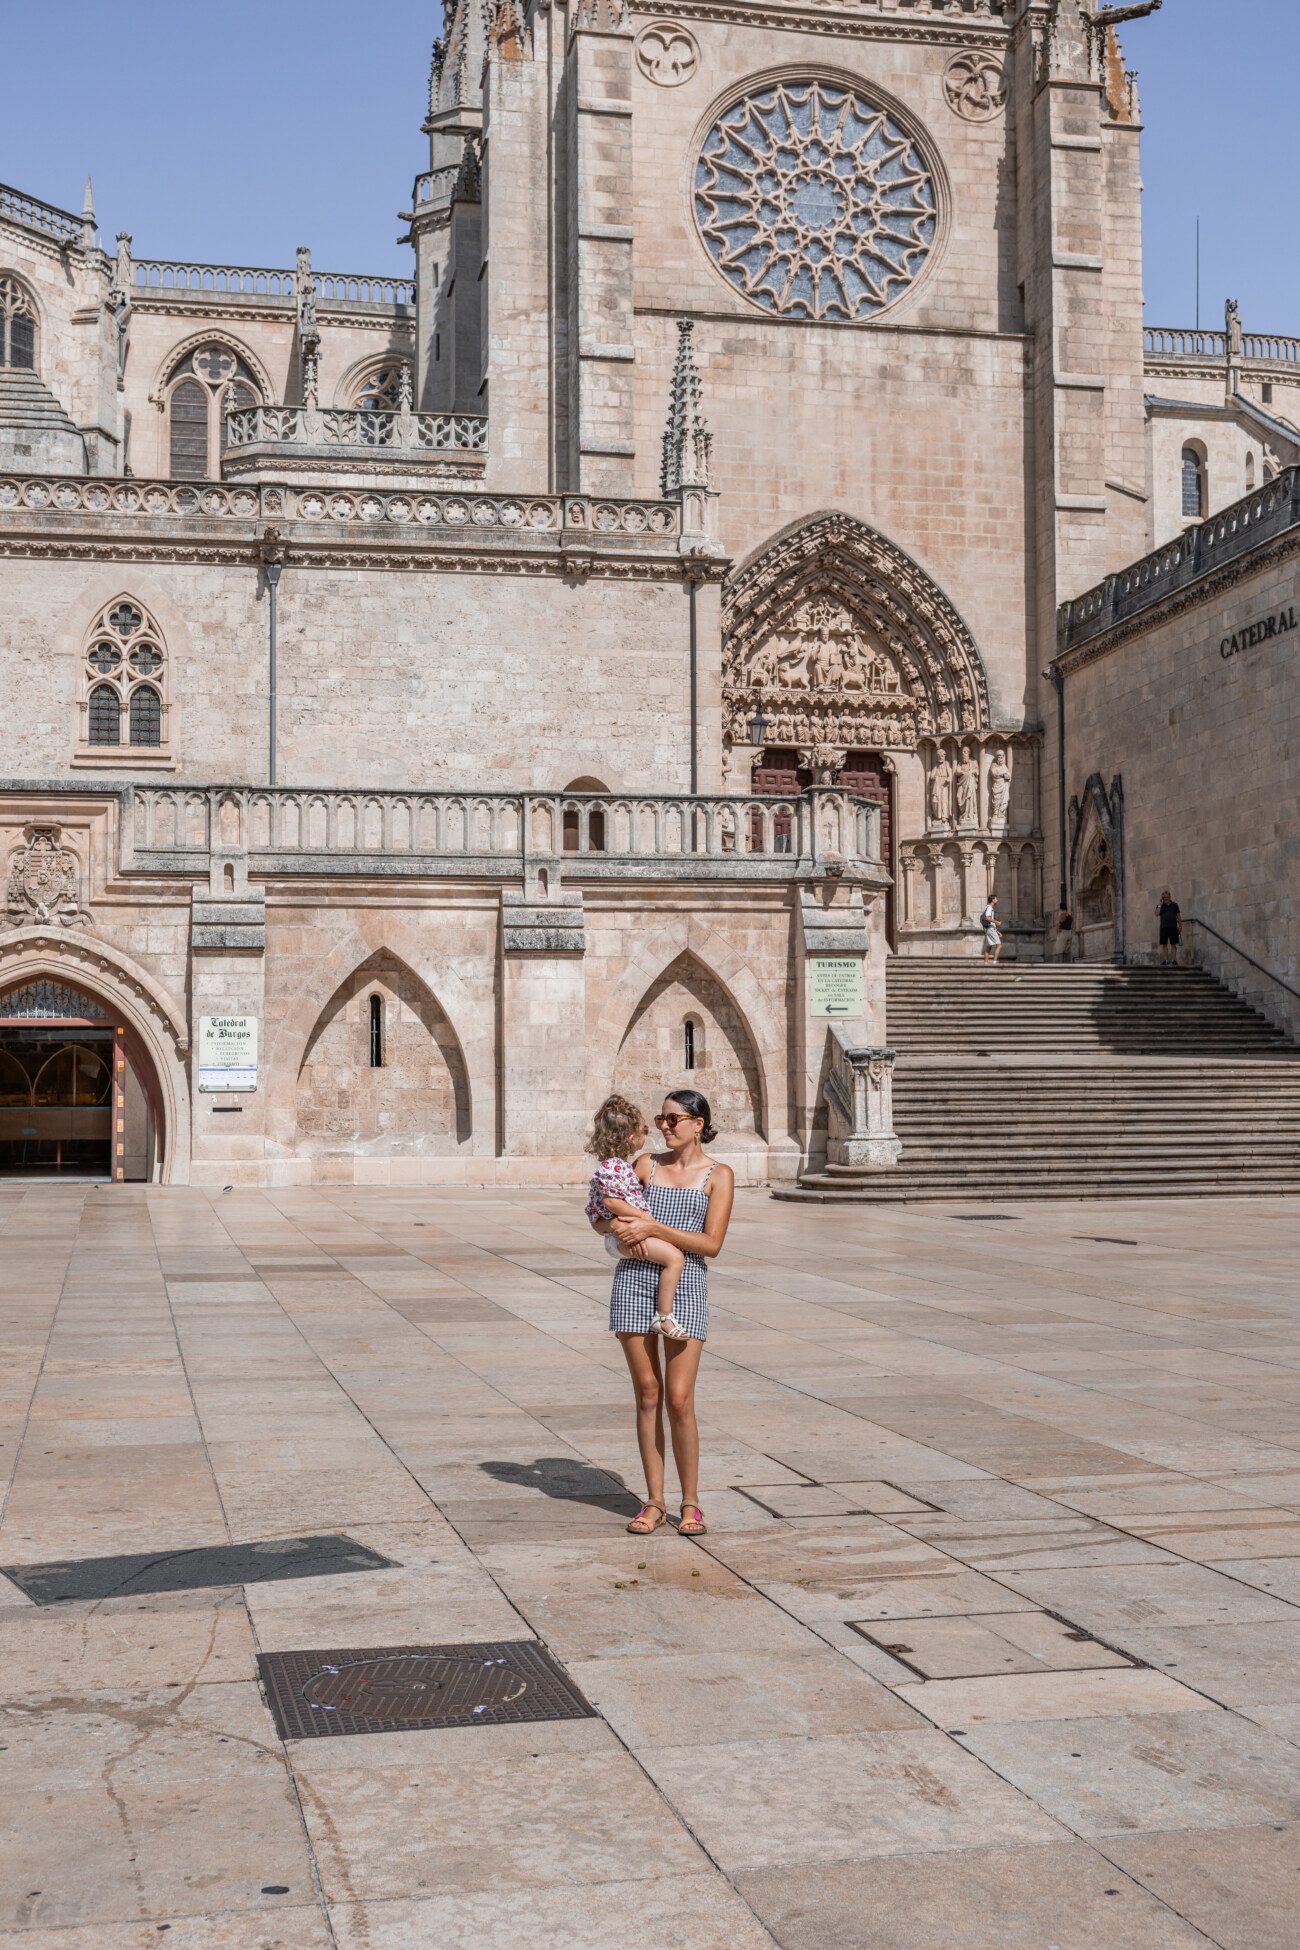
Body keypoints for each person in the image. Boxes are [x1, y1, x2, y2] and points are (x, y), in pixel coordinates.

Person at [596, 1089, 734, 1539]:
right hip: (634, 1282)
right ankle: (654, 1501)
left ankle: (690, 1501)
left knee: (678, 1398)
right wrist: (616, 1227)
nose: (665, 1126)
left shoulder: (719, 1175)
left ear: (698, 1123)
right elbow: (599, 1216)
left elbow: (711, 1244)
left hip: (686, 1286)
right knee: (648, 1394)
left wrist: (654, 1227)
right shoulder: (644, 1166)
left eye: (674, 1119)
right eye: (661, 1118)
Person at [584, 1095, 688, 1339]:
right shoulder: (614, 1166)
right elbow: (611, 1202)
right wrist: (644, 1218)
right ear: (631, 1137)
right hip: (619, 1236)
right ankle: (664, 1316)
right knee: (675, 1258)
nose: (647, 1136)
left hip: (621, 1233)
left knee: (671, 1256)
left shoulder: (618, 1165)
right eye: (644, 1131)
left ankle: (663, 1314)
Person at [1156, 888, 1182, 965]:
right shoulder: (1160, 906)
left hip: (1173, 927)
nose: (1166, 899)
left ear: (1170, 897)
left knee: (1173, 944)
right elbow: (1157, 914)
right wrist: (1160, 904)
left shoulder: (1175, 905)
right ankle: (1166, 960)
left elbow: (1178, 916)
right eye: (1164, 897)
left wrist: (1180, 925)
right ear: (1162, 898)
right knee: (1164, 944)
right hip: (1163, 927)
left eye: (1167, 897)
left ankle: (1174, 960)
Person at [981, 893, 1002, 963]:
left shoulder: (987, 907)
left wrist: (997, 931)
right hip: (990, 929)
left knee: (989, 946)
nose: (997, 900)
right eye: (996, 899)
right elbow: (988, 918)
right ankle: (995, 962)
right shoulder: (989, 908)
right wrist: (997, 922)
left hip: (988, 929)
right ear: (993, 900)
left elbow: (990, 922)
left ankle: (986, 963)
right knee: (999, 945)